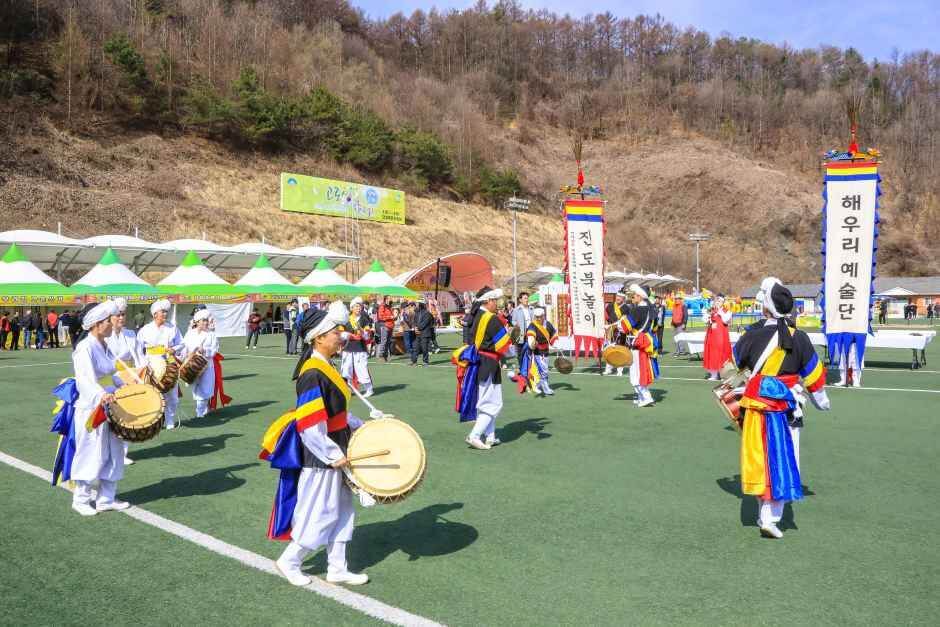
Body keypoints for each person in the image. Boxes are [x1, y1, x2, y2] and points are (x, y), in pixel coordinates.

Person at [263, 302, 370, 587]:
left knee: (343, 510)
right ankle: (290, 560)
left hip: (338, 445)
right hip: (322, 453)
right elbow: (310, 425)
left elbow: (338, 414)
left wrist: (363, 425)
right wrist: (333, 454)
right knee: (320, 509)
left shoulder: (326, 366)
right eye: (336, 331)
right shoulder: (312, 373)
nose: (341, 334)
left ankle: (337, 567)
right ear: (319, 337)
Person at [732, 277, 830, 539]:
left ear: (765, 307)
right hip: (787, 407)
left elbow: (735, 360)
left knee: (760, 457)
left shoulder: (750, 334)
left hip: (755, 407)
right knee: (784, 458)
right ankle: (770, 516)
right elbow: (814, 378)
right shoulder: (799, 338)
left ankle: (762, 509)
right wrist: (822, 402)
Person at [51, 300, 131, 516]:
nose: (111, 323)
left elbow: (110, 373)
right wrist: (101, 394)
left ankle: (106, 499)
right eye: (107, 320)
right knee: (91, 452)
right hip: (92, 408)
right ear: (96, 324)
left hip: (110, 404)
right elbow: (85, 379)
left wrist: (126, 385)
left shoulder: (105, 345)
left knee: (114, 451)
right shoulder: (85, 348)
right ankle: (81, 499)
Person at [454, 287, 512, 449]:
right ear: (488, 301)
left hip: (478, 362)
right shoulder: (490, 318)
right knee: (493, 403)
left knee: (486, 401)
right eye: (494, 301)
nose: (496, 304)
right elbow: (503, 344)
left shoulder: (474, 315)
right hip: (489, 363)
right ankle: (475, 435)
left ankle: (490, 436)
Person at [104, 298, 147, 466]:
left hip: (130, 377)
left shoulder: (130, 334)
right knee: (111, 416)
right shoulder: (105, 337)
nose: (122, 318)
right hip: (110, 378)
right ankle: (107, 451)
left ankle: (123, 453)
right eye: (118, 315)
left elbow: (139, 357)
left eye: (123, 314)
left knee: (128, 417)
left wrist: (144, 373)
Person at [137, 299, 184, 429]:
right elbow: (138, 349)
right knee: (153, 395)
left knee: (172, 395)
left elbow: (182, 343)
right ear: (154, 314)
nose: (164, 314)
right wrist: (143, 364)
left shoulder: (172, 328)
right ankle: (154, 421)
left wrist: (174, 349)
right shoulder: (145, 330)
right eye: (162, 312)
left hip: (169, 363)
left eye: (165, 312)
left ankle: (170, 419)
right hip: (151, 363)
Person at [617, 284, 659, 407]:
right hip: (644, 341)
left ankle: (646, 397)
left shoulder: (637, 310)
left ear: (640, 297)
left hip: (637, 343)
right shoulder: (649, 308)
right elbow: (654, 326)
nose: (632, 298)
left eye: (634, 295)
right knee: (638, 371)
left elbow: (625, 327)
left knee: (637, 372)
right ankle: (641, 396)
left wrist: (619, 324)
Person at [182, 309, 220, 419]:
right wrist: (184, 356)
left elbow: (214, 350)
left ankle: (200, 412)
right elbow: (184, 347)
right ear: (197, 321)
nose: (206, 322)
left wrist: (205, 351)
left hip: (206, 365)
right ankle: (201, 409)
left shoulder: (211, 335)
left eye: (207, 320)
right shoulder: (190, 333)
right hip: (191, 365)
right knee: (195, 387)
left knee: (205, 388)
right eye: (203, 320)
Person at [517, 307, 557, 396]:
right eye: (537, 317)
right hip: (537, 351)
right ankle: (545, 387)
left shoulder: (548, 324)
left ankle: (536, 385)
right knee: (543, 369)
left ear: (544, 316)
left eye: (540, 316)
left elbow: (553, 334)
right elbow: (531, 336)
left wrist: (553, 342)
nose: (539, 318)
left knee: (542, 368)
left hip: (546, 350)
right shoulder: (533, 325)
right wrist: (532, 343)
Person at [340, 297, 374, 397]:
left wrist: (362, 331)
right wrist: (350, 335)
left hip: (360, 348)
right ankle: (349, 389)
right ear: (351, 308)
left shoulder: (364, 319)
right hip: (348, 347)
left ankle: (369, 389)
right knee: (346, 369)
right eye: (356, 306)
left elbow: (367, 336)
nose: (358, 308)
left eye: (360, 306)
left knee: (361, 369)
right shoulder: (346, 319)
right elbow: (341, 334)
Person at [703, 294, 733, 380]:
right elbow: (705, 320)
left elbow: (726, 320)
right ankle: (714, 374)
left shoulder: (726, 310)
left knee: (722, 352)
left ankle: (724, 373)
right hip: (712, 334)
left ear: (723, 302)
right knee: (712, 353)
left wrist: (720, 312)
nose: (717, 302)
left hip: (721, 336)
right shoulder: (712, 310)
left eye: (719, 301)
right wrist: (708, 315)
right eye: (717, 301)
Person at [604, 292, 629, 376]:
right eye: (618, 296)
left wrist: (612, 325)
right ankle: (608, 368)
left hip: (621, 331)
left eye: (620, 297)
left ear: (623, 299)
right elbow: (606, 317)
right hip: (610, 331)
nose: (618, 298)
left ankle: (619, 370)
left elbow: (623, 320)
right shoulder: (610, 306)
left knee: (620, 350)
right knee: (609, 349)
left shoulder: (626, 308)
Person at [509, 292, 532, 376]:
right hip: (520, 334)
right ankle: (521, 368)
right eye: (525, 298)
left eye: (527, 298)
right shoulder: (516, 310)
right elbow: (513, 320)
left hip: (530, 333)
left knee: (530, 351)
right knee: (520, 352)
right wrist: (516, 325)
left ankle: (528, 370)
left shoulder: (531, 309)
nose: (526, 300)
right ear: (520, 300)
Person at [375, 297, 395, 362]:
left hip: (390, 326)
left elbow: (391, 316)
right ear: (386, 299)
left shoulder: (389, 307)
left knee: (388, 341)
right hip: (385, 326)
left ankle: (385, 355)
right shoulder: (382, 306)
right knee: (384, 341)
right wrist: (390, 317)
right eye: (389, 298)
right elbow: (380, 317)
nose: (391, 299)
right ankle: (381, 355)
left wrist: (394, 317)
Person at [415, 301, 435, 366]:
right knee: (416, 347)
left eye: (418, 304)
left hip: (425, 333)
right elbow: (415, 321)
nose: (416, 305)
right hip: (418, 333)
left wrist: (418, 328)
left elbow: (425, 323)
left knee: (424, 348)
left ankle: (425, 361)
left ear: (421, 305)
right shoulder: (417, 313)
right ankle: (414, 361)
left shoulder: (427, 313)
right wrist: (415, 327)